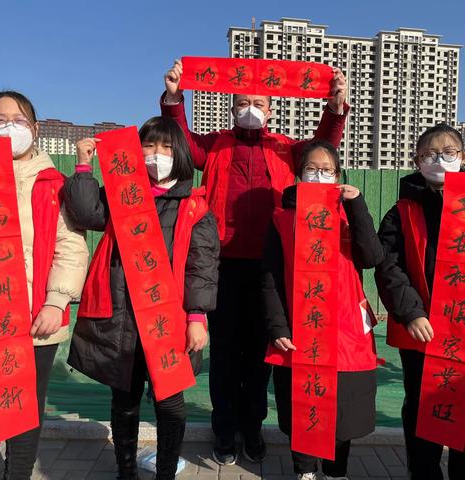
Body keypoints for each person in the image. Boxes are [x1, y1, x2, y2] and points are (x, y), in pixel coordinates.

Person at [161, 59, 349, 465]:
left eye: (258, 102)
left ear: (271, 109)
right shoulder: (215, 145)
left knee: (261, 355)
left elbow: (323, 148)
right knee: (225, 355)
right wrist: (175, 99)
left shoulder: (284, 147)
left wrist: (335, 108)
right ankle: (224, 431)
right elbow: (181, 142)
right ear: (231, 108)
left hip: (271, 267)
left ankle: (253, 427)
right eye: (242, 101)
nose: (251, 107)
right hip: (221, 265)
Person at [64, 116, 220, 480]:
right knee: (124, 400)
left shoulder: (193, 208)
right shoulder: (121, 196)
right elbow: (86, 213)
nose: (156, 154)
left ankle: (165, 472)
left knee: (171, 404)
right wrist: (84, 166)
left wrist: (197, 316)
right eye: (148, 146)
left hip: (169, 320)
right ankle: (126, 469)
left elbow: (202, 268)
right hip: (123, 319)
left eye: (166, 147)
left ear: (180, 154)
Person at [262, 140, 383, 480]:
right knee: (305, 405)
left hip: (345, 331)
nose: (319, 175)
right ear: (299, 175)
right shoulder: (282, 219)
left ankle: (335, 472)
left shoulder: (349, 214)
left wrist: (356, 205)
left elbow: (372, 257)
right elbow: (270, 279)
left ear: (338, 176)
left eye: (327, 170)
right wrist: (279, 328)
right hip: (300, 331)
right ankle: (304, 471)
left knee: (342, 412)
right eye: (311, 170)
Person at [0, 91, 89, 479]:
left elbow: (71, 247)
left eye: (18, 119)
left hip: (35, 317)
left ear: (35, 127)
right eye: (0, 120)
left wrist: (56, 301)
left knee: (24, 408)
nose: (9, 126)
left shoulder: (53, 183)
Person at [375, 123, 465, 480]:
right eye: (429, 154)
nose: (439, 160)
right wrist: (410, 312)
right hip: (421, 329)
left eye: (448, 152)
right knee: (421, 406)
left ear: (462, 157)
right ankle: (424, 473)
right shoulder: (402, 210)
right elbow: (388, 265)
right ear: (416, 160)